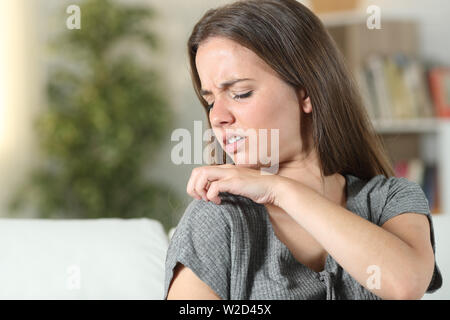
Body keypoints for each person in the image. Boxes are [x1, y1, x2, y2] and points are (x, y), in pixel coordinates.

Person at [164, 0, 442, 300]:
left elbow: (405, 284)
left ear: (306, 93)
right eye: (210, 101)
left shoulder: (390, 200)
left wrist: (279, 190)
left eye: (240, 93)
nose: (217, 117)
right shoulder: (219, 216)